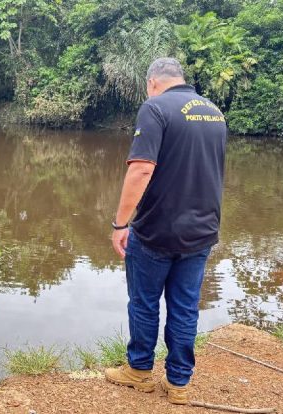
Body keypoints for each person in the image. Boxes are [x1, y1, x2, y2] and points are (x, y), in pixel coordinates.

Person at [104, 57, 227, 405]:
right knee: (185, 307)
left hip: (157, 230)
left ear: (152, 82)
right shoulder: (214, 112)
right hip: (202, 230)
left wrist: (120, 223)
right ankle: (179, 384)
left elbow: (141, 170)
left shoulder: (155, 108)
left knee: (144, 303)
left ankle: (140, 372)